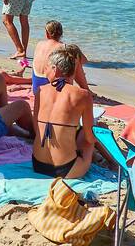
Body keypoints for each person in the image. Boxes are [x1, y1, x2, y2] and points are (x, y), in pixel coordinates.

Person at [31, 48, 96, 179]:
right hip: (66, 169)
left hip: (37, 165)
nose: (44, 71)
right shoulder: (83, 95)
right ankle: (113, 163)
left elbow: (36, 129)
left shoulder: (40, 90)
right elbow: (89, 137)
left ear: (55, 69)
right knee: (89, 134)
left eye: (46, 68)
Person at [30, 21, 89, 114]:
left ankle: (86, 89)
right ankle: (86, 89)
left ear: (46, 33)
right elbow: (84, 61)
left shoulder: (39, 44)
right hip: (54, 88)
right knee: (75, 60)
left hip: (37, 88)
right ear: (61, 33)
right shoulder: (64, 47)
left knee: (68, 60)